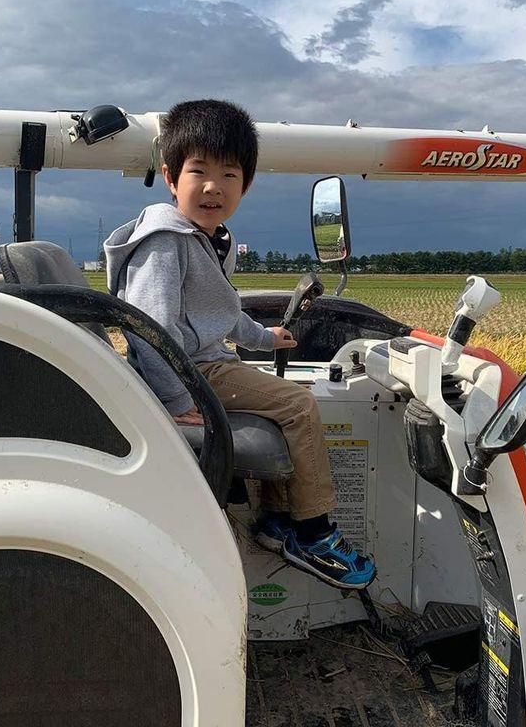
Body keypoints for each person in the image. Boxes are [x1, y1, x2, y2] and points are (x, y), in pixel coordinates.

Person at [104, 99, 376, 590]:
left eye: (229, 174)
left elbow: (221, 312)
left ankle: (275, 519)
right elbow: (149, 326)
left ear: (245, 185)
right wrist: (179, 399)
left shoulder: (206, 238)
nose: (214, 186)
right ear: (170, 177)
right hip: (189, 372)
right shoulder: (166, 242)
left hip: (200, 365)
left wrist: (264, 337)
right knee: (297, 404)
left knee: (287, 402)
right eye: (198, 171)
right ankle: (312, 531)